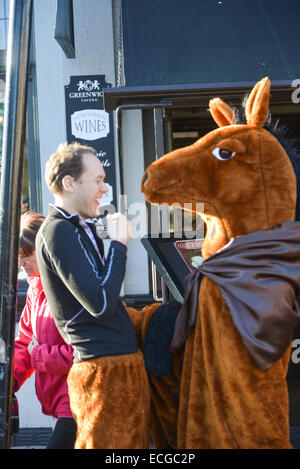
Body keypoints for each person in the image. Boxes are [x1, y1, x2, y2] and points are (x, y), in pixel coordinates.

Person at [35, 142, 151, 449]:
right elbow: (100, 303)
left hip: (116, 367)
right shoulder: (57, 230)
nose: (105, 187)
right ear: (69, 183)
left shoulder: (75, 228)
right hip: (103, 372)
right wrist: (119, 245)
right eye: (98, 179)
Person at [14, 210, 77, 449]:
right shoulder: (34, 288)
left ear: (45, 249)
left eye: (27, 255)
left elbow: (82, 351)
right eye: (19, 256)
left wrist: (39, 354)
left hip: (77, 401)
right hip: (58, 404)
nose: (21, 263)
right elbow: (24, 342)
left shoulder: (69, 288)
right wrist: (10, 380)